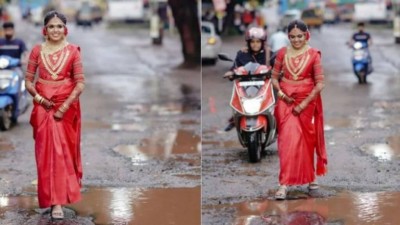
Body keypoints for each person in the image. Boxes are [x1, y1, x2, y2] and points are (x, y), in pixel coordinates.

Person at [24, 11, 85, 220]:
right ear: (45, 30)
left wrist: (64, 106)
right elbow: (29, 82)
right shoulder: (36, 51)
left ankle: (57, 203)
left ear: (65, 29)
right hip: (43, 108)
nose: (56, 30)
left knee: (61, 156)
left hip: (65, 110)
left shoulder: (73, 52)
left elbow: (80, 83)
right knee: (44, 156)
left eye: (59, 26)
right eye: (51, 26)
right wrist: (41, 100)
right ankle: (49, 198)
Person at [270, 20, 327, 200]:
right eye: (292, 37)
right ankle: (284, 184)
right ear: (288, 37)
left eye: (299, 36)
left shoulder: (313, 55)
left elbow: (320, 84)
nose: (296, 40)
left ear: (306, 35)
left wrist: (304, 104)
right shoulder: (282, 53)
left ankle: (311, 179)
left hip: (307, 102)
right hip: (285, 102)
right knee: (286, 141)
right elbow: (274, 78)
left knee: (307, 140)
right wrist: (281, 94)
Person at [223, 27, 269, 131]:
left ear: (262, 42)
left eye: (258, 41)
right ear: (248, 43)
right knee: (237, 101)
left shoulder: (268, 54)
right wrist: (231, 73)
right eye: (252, 42)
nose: (255, 44)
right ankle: (235, 119)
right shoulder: (242, 54)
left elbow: (278, 65)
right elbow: (234, 67)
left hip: (264, 86)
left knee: (278, 104)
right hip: (245, 86)